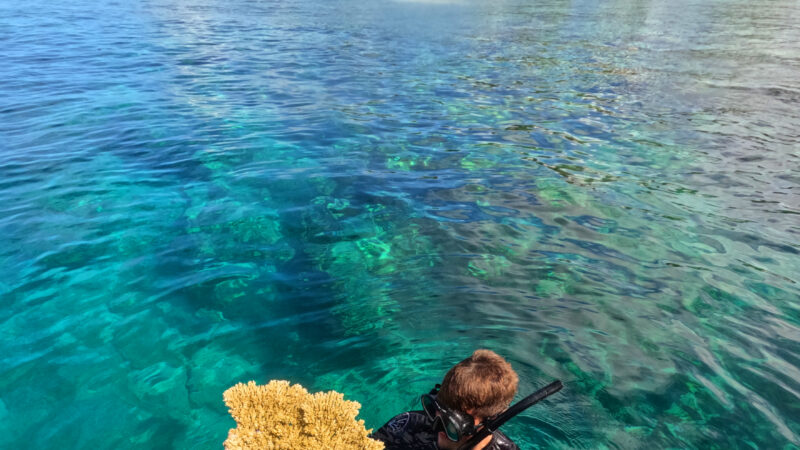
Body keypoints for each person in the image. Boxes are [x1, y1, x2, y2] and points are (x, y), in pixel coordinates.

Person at [371, 349, 520, 450]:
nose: (437, 424)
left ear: (490, 420)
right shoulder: (407, 426)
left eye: (453, 421)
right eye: (436, 408)